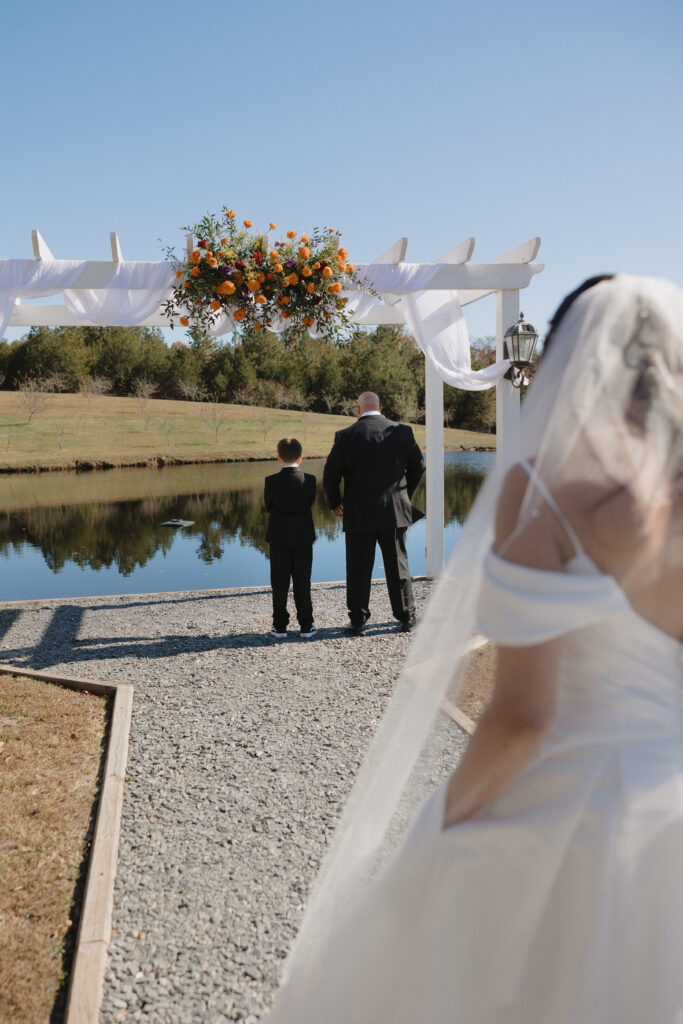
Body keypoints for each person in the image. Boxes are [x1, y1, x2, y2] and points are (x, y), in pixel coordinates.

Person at [263, 276, 683, 1022]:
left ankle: (360, 617)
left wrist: (447, 818)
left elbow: (524, 719)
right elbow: (419, 468)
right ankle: (387, 614)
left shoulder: (547, 487)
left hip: (579, 805)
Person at [322, 391, 426, 635]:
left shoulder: (345, 436)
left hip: (358, 512)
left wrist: (335, 502)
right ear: (381, 407)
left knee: (358, 567)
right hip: (394, 511)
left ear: (357, 409)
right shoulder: (402, 432)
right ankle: (406, 618)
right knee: (398, 565)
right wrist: (403, 494)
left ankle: (358, 621)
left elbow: (330, 476)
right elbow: (419, 466)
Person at [264, 437, 317, 639]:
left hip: (278, 536)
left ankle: (279, 626)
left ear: (278, 458)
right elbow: (309, 503)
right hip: (303, 535)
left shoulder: (270, 481)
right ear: (301, 457)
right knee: (303, 581)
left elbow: (268, 506)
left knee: (279, 582)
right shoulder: (310, 480)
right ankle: (306, 625)